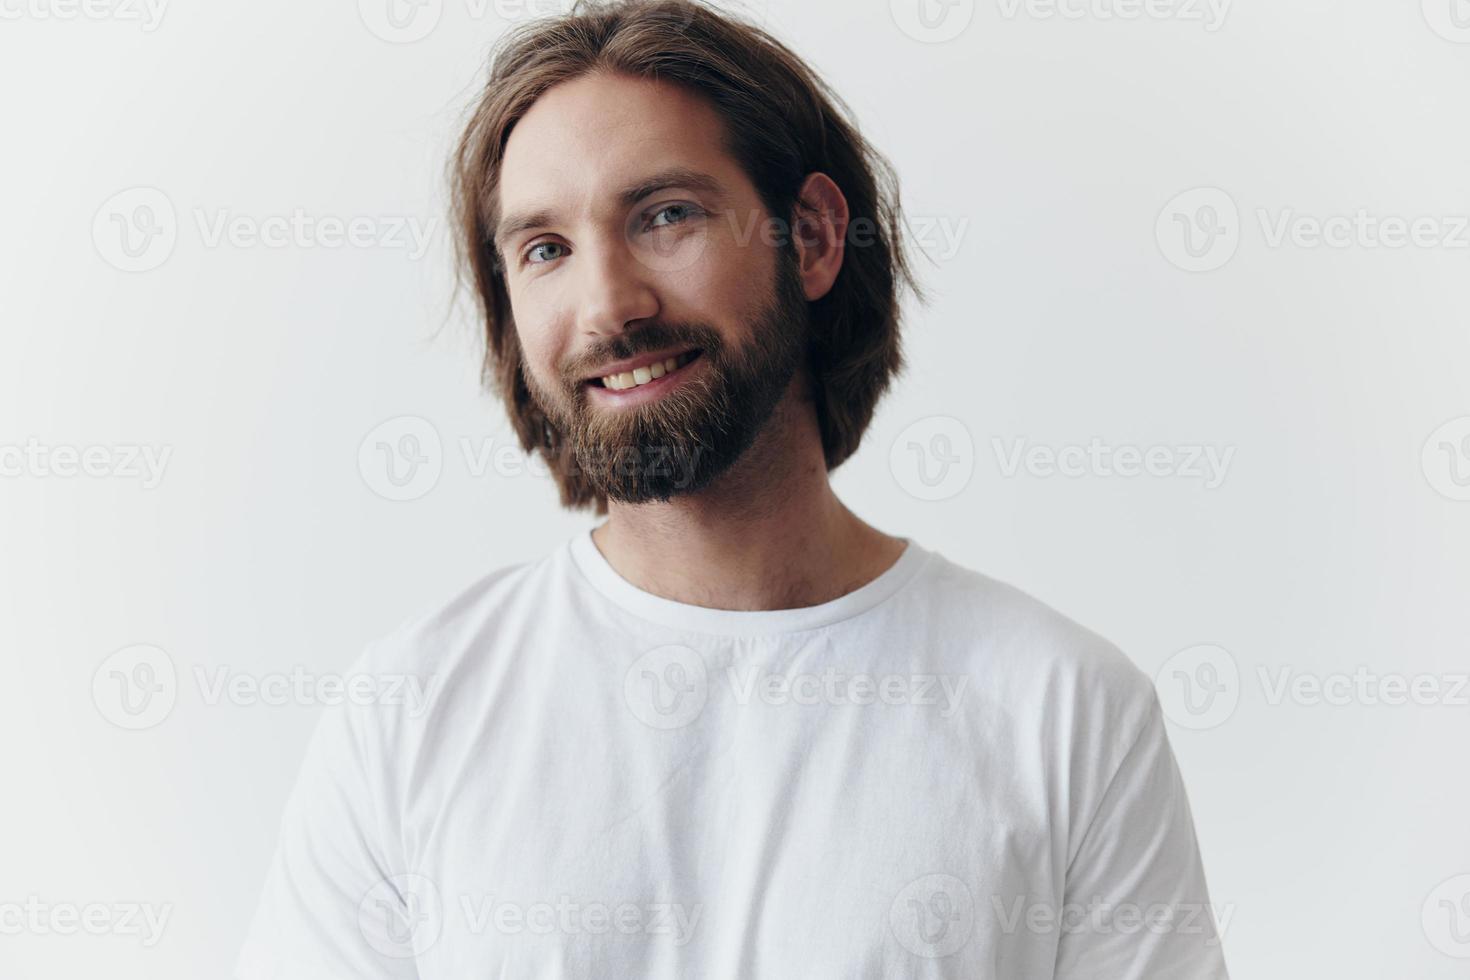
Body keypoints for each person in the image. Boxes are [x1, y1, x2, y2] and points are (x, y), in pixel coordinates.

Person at [235, 1, 1230, 976]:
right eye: (545, 249)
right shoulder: (409, 711)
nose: (609, 305)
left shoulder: (1062, 709)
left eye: (666, 216)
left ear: (811, 238)